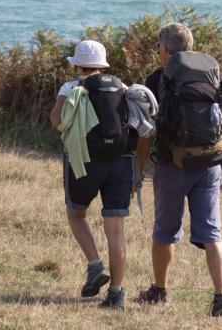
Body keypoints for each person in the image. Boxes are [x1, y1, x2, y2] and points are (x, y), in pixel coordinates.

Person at [137, 23, 222, 318]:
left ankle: (159, 290)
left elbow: (147, 130)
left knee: (165, 230)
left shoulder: (158, 77)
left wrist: (139, 167)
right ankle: (221, 300)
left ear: (165, 50)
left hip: (173, 163)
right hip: (210, 162)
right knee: (212, 231)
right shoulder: (210, 72)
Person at [49, 39, 149, 310]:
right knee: (115, 231)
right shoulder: (123, 88)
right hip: (120, 164)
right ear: (103, 64)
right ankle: (116, 293)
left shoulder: (71, 87)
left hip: (84, 162)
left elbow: (56, 120)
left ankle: (95, 265)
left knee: (76, 213)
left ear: (78, 65)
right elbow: (141, 128)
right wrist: (137, 172)